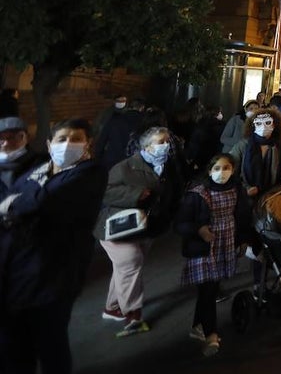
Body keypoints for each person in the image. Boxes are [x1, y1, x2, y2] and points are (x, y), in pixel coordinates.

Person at [0, 118, 107, 374]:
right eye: (61, 139)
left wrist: (16, 205)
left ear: (88, 144)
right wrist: (19, 204)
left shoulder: (89, 172)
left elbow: (43, 200)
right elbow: (18, 197)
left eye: (76, 139)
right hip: (18, 273)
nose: (68, 144)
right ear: (49, 144)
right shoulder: (42, 169)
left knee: (51, 344)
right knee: (16, 346)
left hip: (56, 274)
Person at [93, 125, 184, 336]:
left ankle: (112, 307)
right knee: (131, 263)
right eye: (160, 142)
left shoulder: (169, 166)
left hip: (147, 227)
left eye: (167, 141)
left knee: (127, 268)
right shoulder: (126, 167)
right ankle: (133, 314)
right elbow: (105, 191)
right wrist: (135, 194)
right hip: (118, 227)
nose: (165, 146)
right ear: (146, 146)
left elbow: (175, 190)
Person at [175, 152, 256, 358]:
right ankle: (211, 335)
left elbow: (243, 217)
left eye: (226, 168)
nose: (222, 173)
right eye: (217, 169)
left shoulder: (236, 189)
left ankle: (197, 326)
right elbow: (180, 223)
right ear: (209, 171)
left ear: (233, 170)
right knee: (209, 289)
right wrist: (199, 229)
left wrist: (244, 240)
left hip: (226, 242)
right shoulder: (197, 193)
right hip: (204, 247)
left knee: (208, 290)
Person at [228, 106, 281, 203]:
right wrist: (245, 188)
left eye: (268, 123)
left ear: (275, 125)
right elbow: (232, 170)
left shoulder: (278, 146)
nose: (263, 127)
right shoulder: (243, 146)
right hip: (247, 196)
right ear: (253, 126)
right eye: (258, 124)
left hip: (271, 195)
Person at [92, 97, 145, 172]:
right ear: (142, 107)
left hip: (111, 160)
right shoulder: (145, 123)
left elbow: (102, 140)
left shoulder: (115, 119)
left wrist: (97, 158)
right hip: (132, 165)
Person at [0, 116, 44, 198]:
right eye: (0, 138)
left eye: (13, 137)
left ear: (27, 138)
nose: (6, 143)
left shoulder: (42, 163)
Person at [185, 105, 226, 176]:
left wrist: (191, 156)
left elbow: (194, 141)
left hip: (200, 156)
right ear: (217, 114)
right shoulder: (222, 125)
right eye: (220, 112)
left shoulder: (200, 124)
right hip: (215, 156)